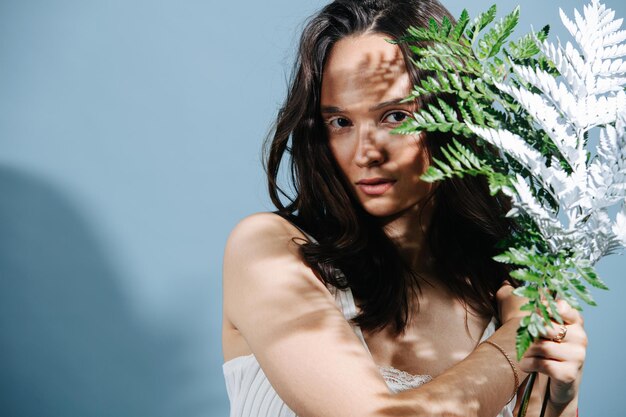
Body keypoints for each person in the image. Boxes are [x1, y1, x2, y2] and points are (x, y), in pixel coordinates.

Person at [222, 1, 587, 416]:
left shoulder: (506, 289)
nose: (365, 153)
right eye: (341, 122)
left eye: (395, 116)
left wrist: (561, 398)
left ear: (456, 116)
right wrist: (517, 342)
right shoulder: (269, 253)